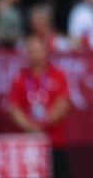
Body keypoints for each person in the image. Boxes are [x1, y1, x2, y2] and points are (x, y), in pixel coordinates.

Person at [8, 37, 71, 178]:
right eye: (30, 50)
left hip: (55, 142)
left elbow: (63, 103)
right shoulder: (19, 78)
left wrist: (44, 122)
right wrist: (31, 127)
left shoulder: (58, 75)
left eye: (37, 50)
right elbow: (14, 108)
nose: (33, 54)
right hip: (29, 144)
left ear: (45, 52)